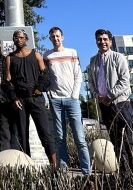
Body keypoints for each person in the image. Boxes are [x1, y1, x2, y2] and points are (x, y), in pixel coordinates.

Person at [5, 30, 57, 166]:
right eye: (15, 38)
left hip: (36, 99)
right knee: (22, 135)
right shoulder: (10, 58)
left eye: (21, 37)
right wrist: (13, 98)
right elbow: (8, 80)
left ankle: (54, 168)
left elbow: (45, 73)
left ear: (26, 39)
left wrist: (40, 88)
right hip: (20, 101)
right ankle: (27, 166)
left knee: (45, 132)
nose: (18, 40)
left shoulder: (36, 55)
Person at [87, 28, 133, 173]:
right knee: (116, 140)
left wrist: (110, 96)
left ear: (110, 41)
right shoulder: (93, 61)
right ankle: (124, 174)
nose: (102, 42)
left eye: (105, 39)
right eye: (99, 39)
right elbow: (90, 81)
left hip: (121, 104)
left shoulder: (118, 57)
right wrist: (98, 96)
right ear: (96, 41)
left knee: (128, 141)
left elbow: (125, 81)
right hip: (104, 105)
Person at [44, 27, 91, 175]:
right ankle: (63, 171)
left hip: (72, 100)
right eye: (52, 36)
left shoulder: (72, 52)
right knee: (59, 138)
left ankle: (86, 172)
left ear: (62, 37)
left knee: (80, 138)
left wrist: (74, 95)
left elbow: (78, 75)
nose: (55, 38)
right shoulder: (47, 55)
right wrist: (50, 95)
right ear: (50, 39)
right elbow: (46, 77)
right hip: (55, 100)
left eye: (57, 36)